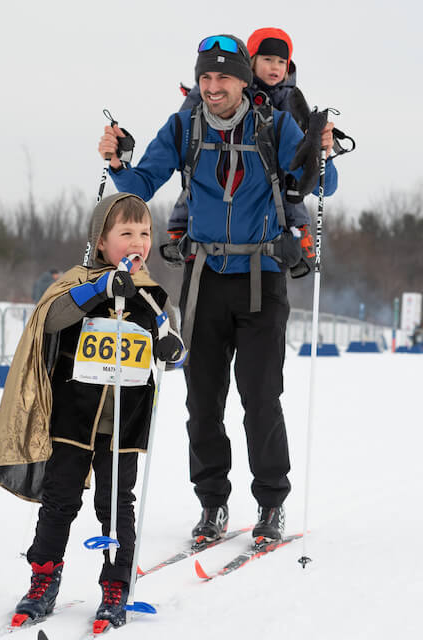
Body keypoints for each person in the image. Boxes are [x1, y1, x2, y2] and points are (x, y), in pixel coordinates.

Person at [98, 34, 338, 544]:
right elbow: (142, 184)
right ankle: (213, 504)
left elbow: (322, 184)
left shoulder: (273, 124)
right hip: (204, 280)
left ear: (243, 80)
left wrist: (323, 150)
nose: (212, 87)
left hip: (263, 279)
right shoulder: (184, 125)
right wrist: (118, 163)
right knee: (202, 401)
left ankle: (271, 503)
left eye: (223, 77)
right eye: (205, 77)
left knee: (260, 398)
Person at [0, 193, 184, 631]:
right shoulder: (78, 283)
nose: (138, 242)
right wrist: (97, 289)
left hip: (123, 423)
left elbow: (171, 344)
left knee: (117, 506)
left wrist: (172, 349)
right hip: (72, 418)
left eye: (145, 233)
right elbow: (51, 319)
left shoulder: (152, 297)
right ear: (101, 240)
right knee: (60, 500)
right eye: (126, 233)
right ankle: (43, 577)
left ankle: (116, 584)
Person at [167, 28, 316, 274]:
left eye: (281, 62)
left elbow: (300, 129)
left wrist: (313, 138)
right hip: (230, 152)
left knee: (289, 190)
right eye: (267, 60)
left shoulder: (289, 96)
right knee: (199, 181)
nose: (275, 67)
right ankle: (178, 230)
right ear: (251, 61)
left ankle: (301, 236)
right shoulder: (233, 85)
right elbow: (192, 109)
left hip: (275, 162)